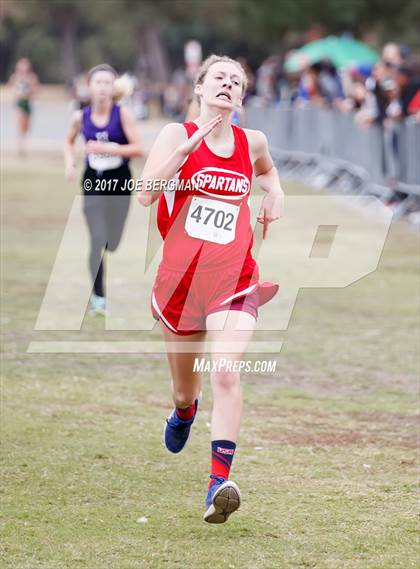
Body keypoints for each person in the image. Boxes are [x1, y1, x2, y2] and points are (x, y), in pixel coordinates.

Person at [138, 55, 284, 523]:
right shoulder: (175, 134)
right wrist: (184, 152)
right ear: (200, 88)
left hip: (234, 278)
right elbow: (144, 193)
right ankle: (184, 412)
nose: (228, 85)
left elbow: (267, 170)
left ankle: (217, 484)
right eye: (219, 78)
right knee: (186, 390)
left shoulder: (252, 141)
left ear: (241, 98)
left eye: (236, 82)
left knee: (226, 371)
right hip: (181, 284)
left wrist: (275, 193)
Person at [64, 64, 143, 314]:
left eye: (107, 83)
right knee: (97, 238)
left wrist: (110, 149)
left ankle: (110, 244)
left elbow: (139, 148)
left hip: (119, 180)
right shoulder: (81, 116)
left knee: (113, 242)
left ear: (113, 87)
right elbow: (68, 140)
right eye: (97, 82)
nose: (102, 87)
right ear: (89, 86)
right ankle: (98, 298)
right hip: (93, 181)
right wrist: (69, 163)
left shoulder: (122, 115)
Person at [7, 58, 39, 156]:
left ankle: (23, 144)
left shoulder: (31, 77)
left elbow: (36, 89)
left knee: (27, 127)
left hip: (28, 103)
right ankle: (20, 147)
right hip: (19, 103)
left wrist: (31, 94)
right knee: (20, 124)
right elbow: (10, 87)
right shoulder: (15, 77)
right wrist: (15, 95)